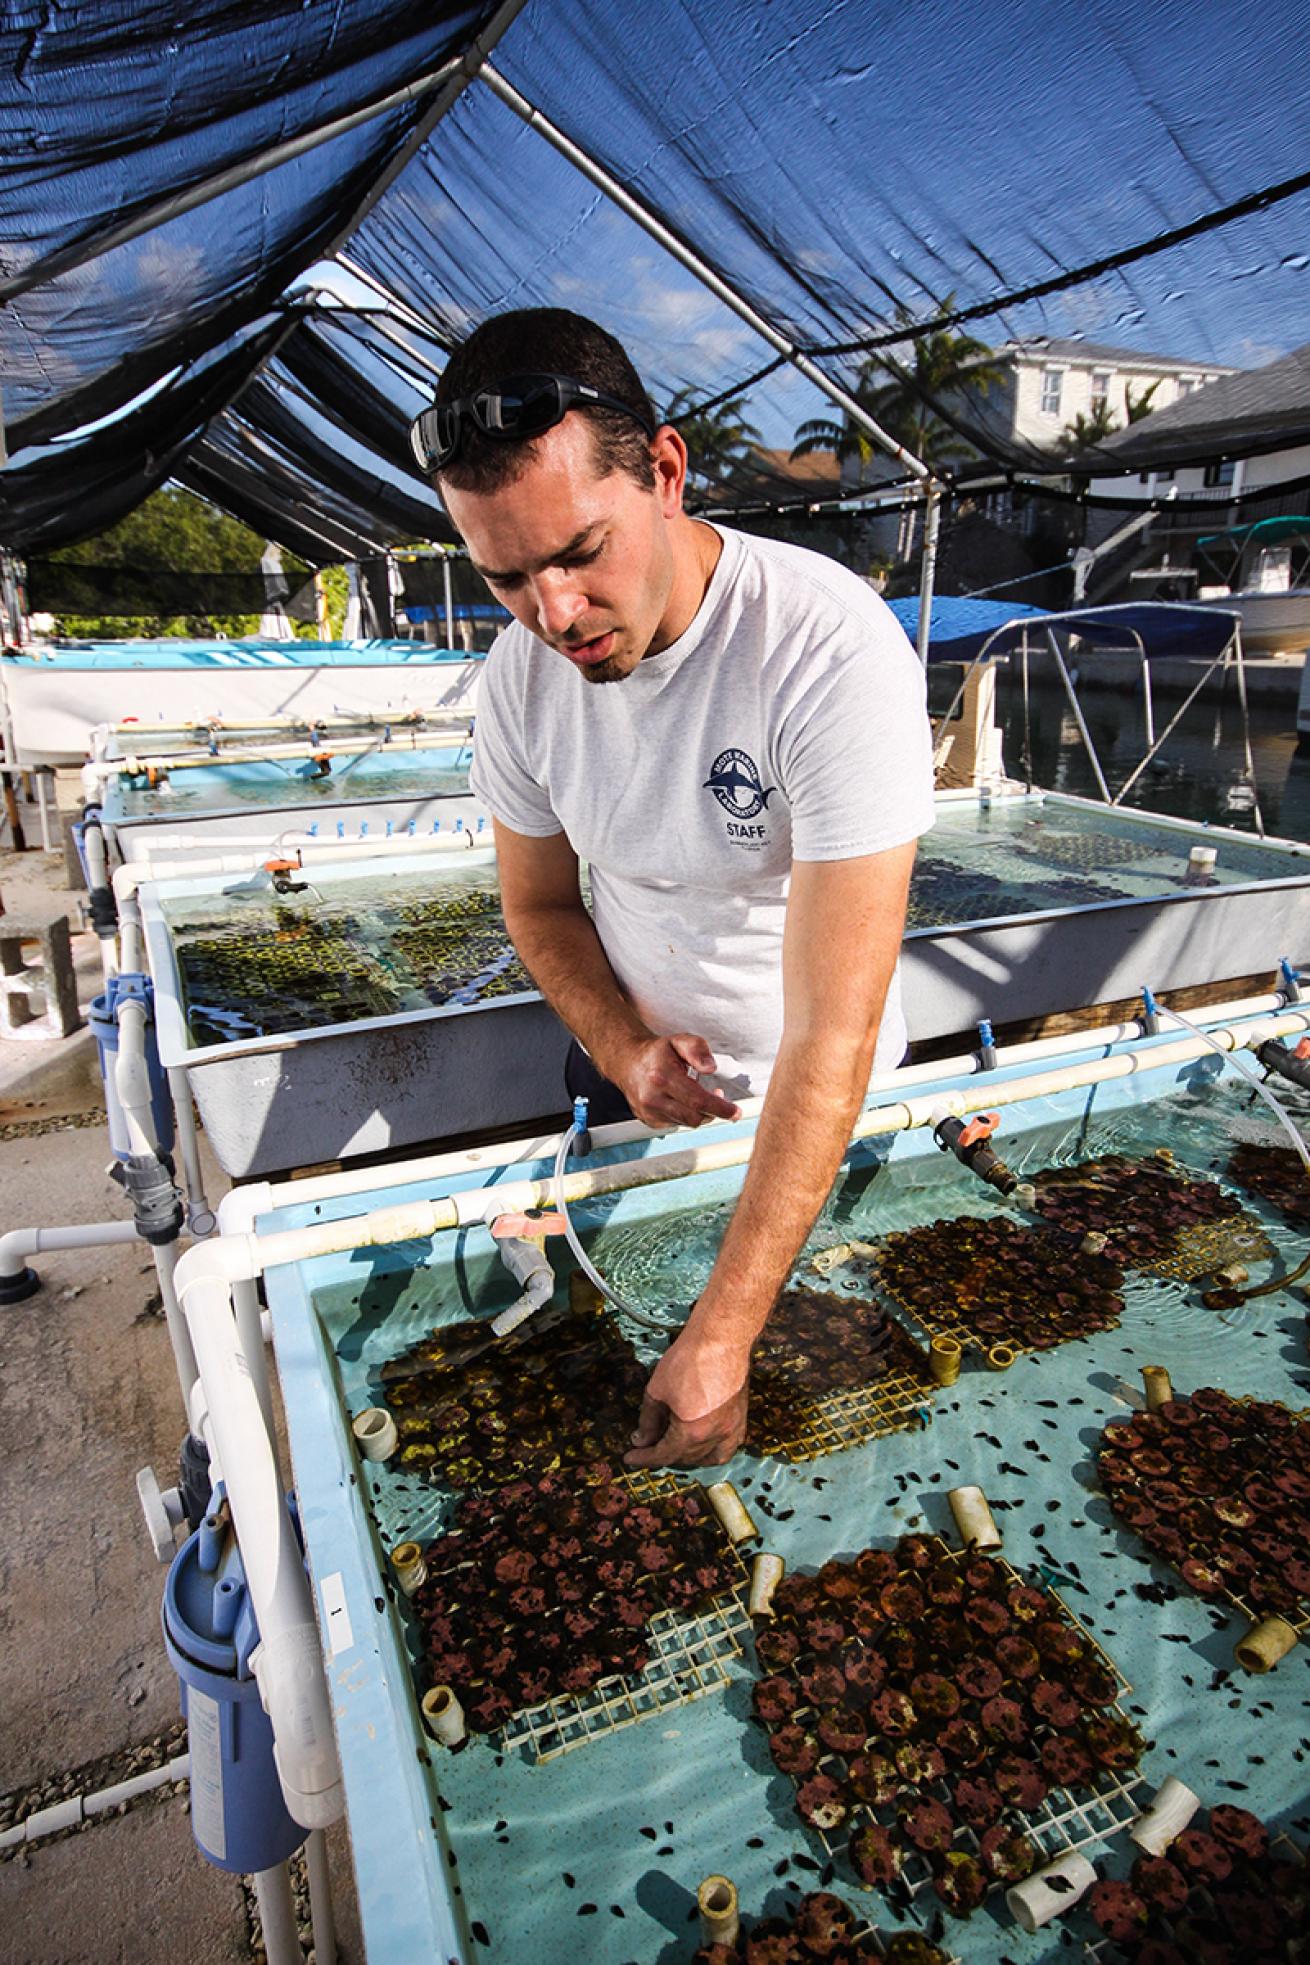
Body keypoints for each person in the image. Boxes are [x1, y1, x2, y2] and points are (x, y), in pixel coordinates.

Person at [410, 308, 935, 1470]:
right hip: (626, 1077)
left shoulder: (823, 650)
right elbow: (539, 908)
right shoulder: (517, 682)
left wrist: (726, 1328)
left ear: (662, 471)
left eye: (577, 553)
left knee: (825, 1415)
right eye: (505, 578)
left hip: (813, 1109)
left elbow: (834, 1034)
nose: (551, 616)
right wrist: (621, 1048)